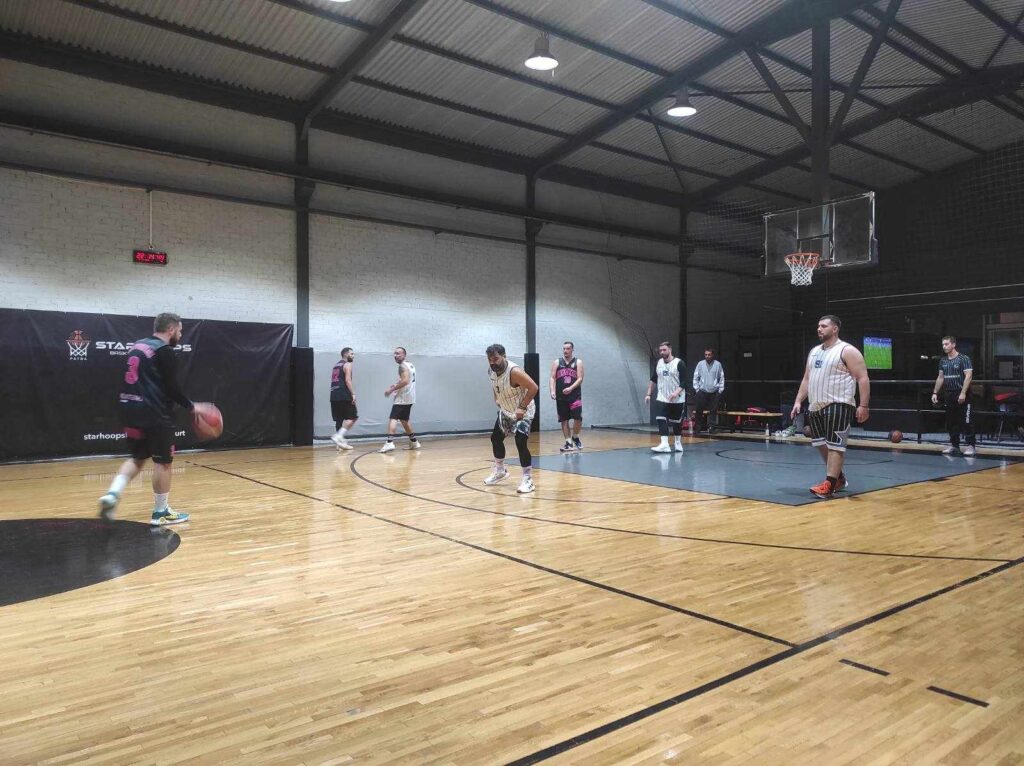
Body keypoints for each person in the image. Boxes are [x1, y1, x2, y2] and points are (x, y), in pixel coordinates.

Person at [98, 312, 195, 525]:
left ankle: (112, 494)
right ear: (171, 329)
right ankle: (161, 512)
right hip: (155, 413)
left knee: (137, 457)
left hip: (130, 410)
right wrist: (193, 407)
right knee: (163, 463)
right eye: (180, 331)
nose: (180, 335)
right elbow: (172, 388)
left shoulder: (138, 346)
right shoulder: (164, 350)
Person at [791, 315, 871, 499]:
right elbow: (807, 379)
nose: (819, 329)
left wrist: (864, 405)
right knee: (820, 443)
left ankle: (829, 484)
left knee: (836, 445)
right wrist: (798, 400)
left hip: (839, 403)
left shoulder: (847, 350)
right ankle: (839, 478)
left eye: (823, 326)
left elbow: (863, 378)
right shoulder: (814, 351)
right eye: (818, 326)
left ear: (835, 329)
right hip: (815, 405)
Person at [484, 344, 539, 494]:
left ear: (504, 356)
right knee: (496, 439)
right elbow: (494, 385)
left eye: (496, 359)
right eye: (490, 359)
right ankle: (500, 471)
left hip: (523, 411)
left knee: (520, 441)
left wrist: (522, 407)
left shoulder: (514, 372)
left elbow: (533, 387)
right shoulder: (491, 370)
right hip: (506, 410)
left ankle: (528, 479)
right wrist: (496, 398)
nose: (493, 362)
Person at [931, 336, 976, 456]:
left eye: (946, 344)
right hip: (949, 393)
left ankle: (971, 446)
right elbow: (940, 377)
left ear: (953, 344)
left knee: (967, 420)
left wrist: (963, 393)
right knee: (951, 421)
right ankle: (954, 445)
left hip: (962, 393)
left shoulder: (964, 359)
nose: (944, 346)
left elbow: (968, 376)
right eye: (943, 344)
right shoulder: (943, 361)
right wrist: (935, 392)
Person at [644, 341, 687, 453]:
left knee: (676, 422)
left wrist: (675, 393)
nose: (662, 352)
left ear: (670, 350)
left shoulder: (679, 363)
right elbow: (653, 379)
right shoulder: (658, 363)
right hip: (662, 397)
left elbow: (684, 382)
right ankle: (664, 444)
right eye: (660, 350)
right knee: (660, 418)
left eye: (664, 350)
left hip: (677, 398)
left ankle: (677, 442)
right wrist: (648, 394)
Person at [379, 346, 420, 453]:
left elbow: (406, 381)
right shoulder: (410, 364)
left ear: (404, 355)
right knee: (404, 420)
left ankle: (389, 442)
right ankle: (414, 442)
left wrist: (391, 389)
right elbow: (406, 379)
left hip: (403, 396)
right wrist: (397, 384)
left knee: (393, 418)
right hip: (410, 396)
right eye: (395, 353)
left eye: (398, 353)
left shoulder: (402, 366)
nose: (395, 355)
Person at [549, 341, 584, 452]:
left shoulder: (578, 362)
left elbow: (580, 378)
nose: (565, 351)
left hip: (574, 396)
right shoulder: (557, 362)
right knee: (564, 420)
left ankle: (575, 436)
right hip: (561, 396)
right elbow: (552, 377)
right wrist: (552, 391)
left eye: (568, 349)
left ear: (572, 350)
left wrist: (570, 388)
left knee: (578, 418)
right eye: (564, 349)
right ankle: (568, 442)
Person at [691, 347, 725, 434]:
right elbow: (695, 377)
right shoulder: (700, 364)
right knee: (699, 411)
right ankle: (698, 428)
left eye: (709, 354)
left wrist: (720, 390)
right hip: (702, 391)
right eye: (706, 354)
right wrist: (697, 389)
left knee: (713, 411)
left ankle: (711, 428)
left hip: (714, 392)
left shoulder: (718, 364)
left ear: (712, 355)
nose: (707, 356)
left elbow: (721, 377)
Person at [330, 347, 357, 450]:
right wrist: (353, 393)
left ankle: (339, 444)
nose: (353, 356)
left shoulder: (336, 365)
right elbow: (347, 380)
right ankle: (338, 436)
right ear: (346, 354)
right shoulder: (347, 364)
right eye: (352, 354)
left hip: (334, 395)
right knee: (353, 417)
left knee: (339, 419)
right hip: (343, 394)